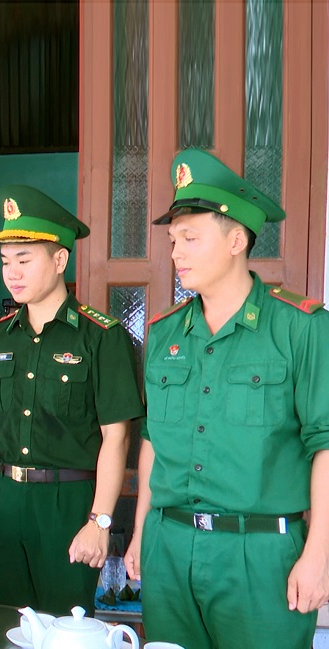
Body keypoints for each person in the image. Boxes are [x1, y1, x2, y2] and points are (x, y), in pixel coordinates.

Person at [124, 149, 329, 648]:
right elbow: (153, 440)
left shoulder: (299, 328)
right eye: (173, 240)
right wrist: (138, 535)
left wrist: (319, 553)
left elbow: (325, 444)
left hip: (258, 554)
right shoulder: (165, 333)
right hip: (169, 547)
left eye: (191, 238)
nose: (176, 252)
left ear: (237, 239)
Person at [0, 185, 145, 615]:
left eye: (24, 260)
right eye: (5, 262)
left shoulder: (101, 337)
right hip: (1, 501)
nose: (12, 273)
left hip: (68, 504)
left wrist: (100, 522)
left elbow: (117, 439)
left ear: (60, 259)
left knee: (65, 628)